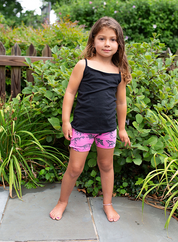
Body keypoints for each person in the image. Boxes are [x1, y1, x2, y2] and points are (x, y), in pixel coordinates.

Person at [49, 16, 132, 222]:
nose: (107, 44)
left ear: (118, 44)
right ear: (93, 40)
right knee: (75, 168)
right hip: (82, 129)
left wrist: (121, 129)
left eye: (112, 39)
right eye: (102, 38)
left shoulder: (118, 72)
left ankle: (108, 204)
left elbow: (121, 103)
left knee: (106, 166)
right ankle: (62, 202)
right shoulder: (83, 65)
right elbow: (70, 93)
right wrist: (66, 121)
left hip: (107, 129)